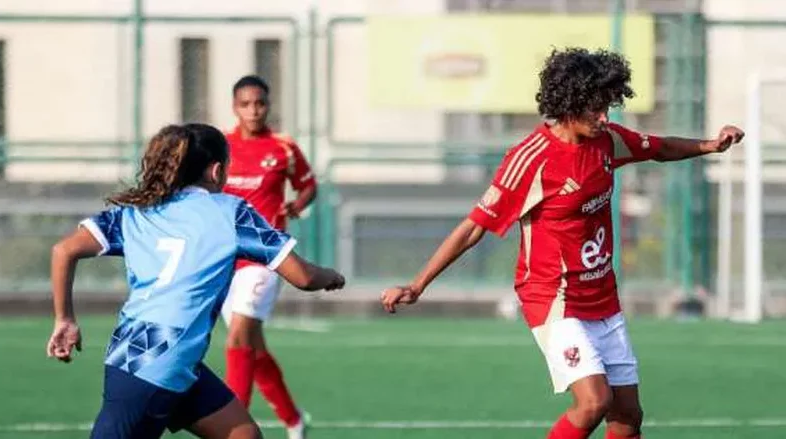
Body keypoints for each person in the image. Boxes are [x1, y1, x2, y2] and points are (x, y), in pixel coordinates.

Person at [380, 47, 744, 439]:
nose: (605, 117)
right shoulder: (530, 159)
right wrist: (417, 284)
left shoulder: (607, 140)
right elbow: (473, 227)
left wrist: (709, 145)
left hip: (602, 296)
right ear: (567, 104)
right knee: (593, 401)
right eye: (595, 109)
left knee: (627, 418)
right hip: (553, 298)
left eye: (608, 106)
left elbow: (658, 148)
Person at [45, 123, 344, 439]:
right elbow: (304, 277)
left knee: (243, 434)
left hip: (143, 349)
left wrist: (65, 319)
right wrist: (331, 277)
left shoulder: (138, 211)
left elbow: (63, 250)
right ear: (217, 171)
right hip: (161, 360)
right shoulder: (231, 212)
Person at [220, 75, 317, 438]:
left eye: (259, 103)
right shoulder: (220, 145)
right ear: (235, 107)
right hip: (225, 258)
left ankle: (230, 427)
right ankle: (294, 420)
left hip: (265, 257)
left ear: (268, 105)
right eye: (245, 104)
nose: (253, 110)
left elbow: (308, 185)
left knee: (238, 339)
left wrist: (297, 205)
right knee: (253, 349)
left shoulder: (283, 147)